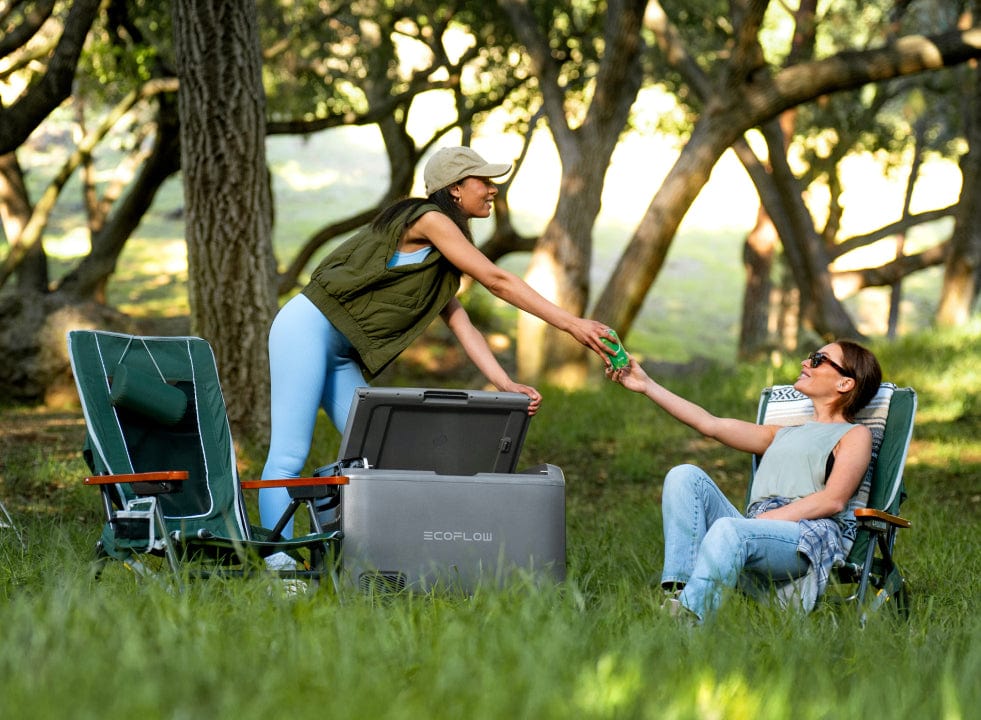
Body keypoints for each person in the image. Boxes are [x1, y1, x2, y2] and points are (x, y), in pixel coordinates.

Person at [260, 146, 617, 546]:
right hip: (306, 327)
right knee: (290, 455)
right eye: (483, 181)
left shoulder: (442, 255)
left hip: (341, 351)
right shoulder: (428, 219)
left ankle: (344, 550)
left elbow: (461, 323)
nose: (492, 189)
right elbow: (497, 280)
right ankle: (278, 564)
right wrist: (571, 324)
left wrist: (504, 383)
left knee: (377, 457)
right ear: (455, 189)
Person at [606, 340, 882, 623]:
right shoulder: (781, 433)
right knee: (684, 475)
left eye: (817, 359)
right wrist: (647, 384)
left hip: (804, 537)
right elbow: (709, 424)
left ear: (845, 383)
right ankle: (680, 596)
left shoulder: (854, 435)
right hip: (759, 528)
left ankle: (691, 619)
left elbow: (833, 499)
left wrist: (770, 519)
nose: (804, 362)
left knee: (730, 529)